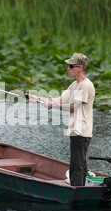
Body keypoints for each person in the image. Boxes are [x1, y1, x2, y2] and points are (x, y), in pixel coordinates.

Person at [30, 53, 95, 186]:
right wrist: (38, 98)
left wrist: (52, 105)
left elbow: (73, 108)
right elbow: (60, 100)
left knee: (77, 165)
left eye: (71, 66)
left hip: (81, 131)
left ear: (80, 68)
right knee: (78, 163)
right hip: (76, 130)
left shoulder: (85, 86)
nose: (68, 69)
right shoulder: (74, 85)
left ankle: (77, 191)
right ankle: (80, 189)